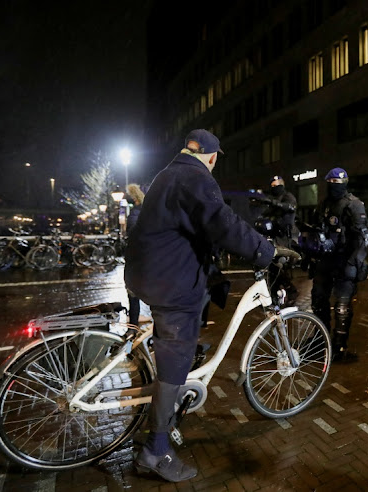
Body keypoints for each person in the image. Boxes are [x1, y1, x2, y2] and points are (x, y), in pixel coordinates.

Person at [124, 129, 277, 482]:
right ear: (210, 156)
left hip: (148, 273)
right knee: (174, 356)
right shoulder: (195, 177)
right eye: (215, 159)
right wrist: (263, 250)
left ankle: (178, 385)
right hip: (169, 283)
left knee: (198, 310)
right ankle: (155, 449)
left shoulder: (168, 173)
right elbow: (222, 222)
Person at [310, 167, 368, 362]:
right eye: (332, 183)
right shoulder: (324, 205)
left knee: (342, 306)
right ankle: (321, 341)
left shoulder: (354, 205)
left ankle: (339, 346)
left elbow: (364, 239)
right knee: (318, 300)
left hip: (345, 260)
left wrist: (354, 262)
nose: (335, 187)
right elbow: (317, 229)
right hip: (326, 260)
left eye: (338, 183)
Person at [258, 175, 299, 304]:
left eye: (277, 185)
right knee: (271, 268)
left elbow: (290, 207)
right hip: (274, 236)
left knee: (279, 265)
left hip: (285, 237)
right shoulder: (272, 199)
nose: (275, 188)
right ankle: (273, 297)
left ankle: (290, 291)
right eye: (273, 186)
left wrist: (273, 203)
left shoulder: (288, 197)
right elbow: (266, 214)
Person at [124, 183, 151, 325]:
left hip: (138, 261)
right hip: (142, 261)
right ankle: (134, 328)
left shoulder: (137, 213)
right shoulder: (144, 213)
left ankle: (133, 327)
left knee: (134, 296)